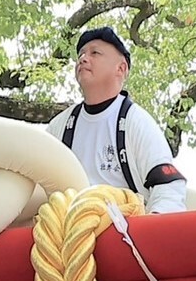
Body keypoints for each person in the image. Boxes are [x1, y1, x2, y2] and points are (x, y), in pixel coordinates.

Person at [45, 28, 187, 215]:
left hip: (123, 233)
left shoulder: (136, 122)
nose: (83, 59)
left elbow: (168, 188)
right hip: (68, 232)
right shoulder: (59, 126)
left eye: (95, 53)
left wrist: (151, 231)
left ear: (121, 68)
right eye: (81, 54)